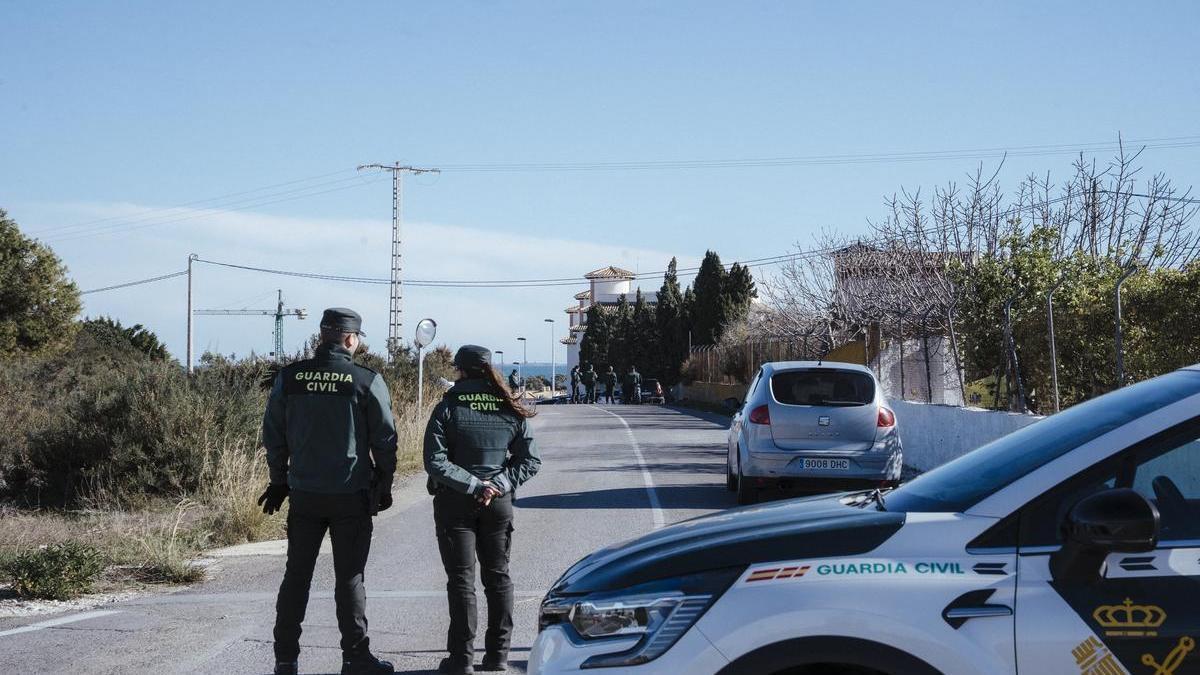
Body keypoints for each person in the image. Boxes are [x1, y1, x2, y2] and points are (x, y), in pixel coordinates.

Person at [261, 308, 398, 675]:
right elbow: (385, 439)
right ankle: (355, 657)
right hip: (351, 494)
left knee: (296, 576)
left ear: (323, 335)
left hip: (304, 493)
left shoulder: (290, 378)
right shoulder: (366, 380)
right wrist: (384, 482)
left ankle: (285, 658)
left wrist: (279, 480)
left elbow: (273, 433)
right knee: (350, 577)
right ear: (351, 339)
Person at [425, 345, 542, 674]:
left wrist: (473, 485)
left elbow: (435, 461)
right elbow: (530, 460)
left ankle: (461, 659)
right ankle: (498, 656)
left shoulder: (447, 407)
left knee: (461, 581)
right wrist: (499, 484)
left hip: (455, 502)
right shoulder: (509, 407)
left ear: (460, 371)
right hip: (498, 503)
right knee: (498, 578)